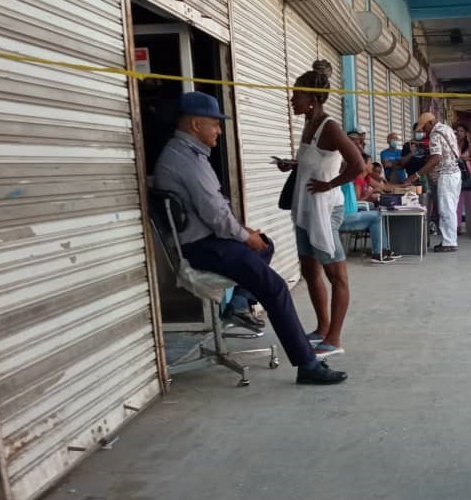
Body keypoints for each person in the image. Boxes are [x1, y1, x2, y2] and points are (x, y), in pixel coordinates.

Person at [153, 91, 346, 384]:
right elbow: (216, 215)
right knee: (276, 287)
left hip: (206, 240)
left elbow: (214, 211)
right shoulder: (188, 161)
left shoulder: (183, 153)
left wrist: (247, 234)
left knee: (264, 244)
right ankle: (307, 365)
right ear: (195, 125)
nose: (219, 130)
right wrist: (243, 235)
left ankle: (239, 303)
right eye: (214, 124)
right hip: (204, 247)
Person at [279, 60, 363, 358]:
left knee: (336, 274)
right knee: (309, 269)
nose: (292, 100)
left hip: (325, 210)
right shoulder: (308, 124)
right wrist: (292, 164)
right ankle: (322, 328)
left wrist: (331, 185)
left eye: (296, 96)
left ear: (312, 99)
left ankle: (335, 338)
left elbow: (358, 165)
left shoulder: (330, 127)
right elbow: (315, 162)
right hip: (305, 208)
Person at [406, 112, 461, 253]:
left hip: (447, 175)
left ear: (430, 123)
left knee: (446, 210)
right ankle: (450, 240)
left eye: (424, 128)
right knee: (451, 209)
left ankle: (449, 242)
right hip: (455, 173)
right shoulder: (446, 128)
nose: (424, 132)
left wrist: (416, 175)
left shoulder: (435, 134)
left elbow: (436, 158)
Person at [338, 155, 400, 264]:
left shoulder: (352, 178)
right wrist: (371, 193)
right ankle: (379, 253)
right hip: (345, 217)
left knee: (378, 214)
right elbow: (357, 199)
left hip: (352, 214)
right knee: (377, 216)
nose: (371, 165)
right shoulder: (348, 179)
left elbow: (382, 188)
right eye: (369, 163)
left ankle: (383, 251)